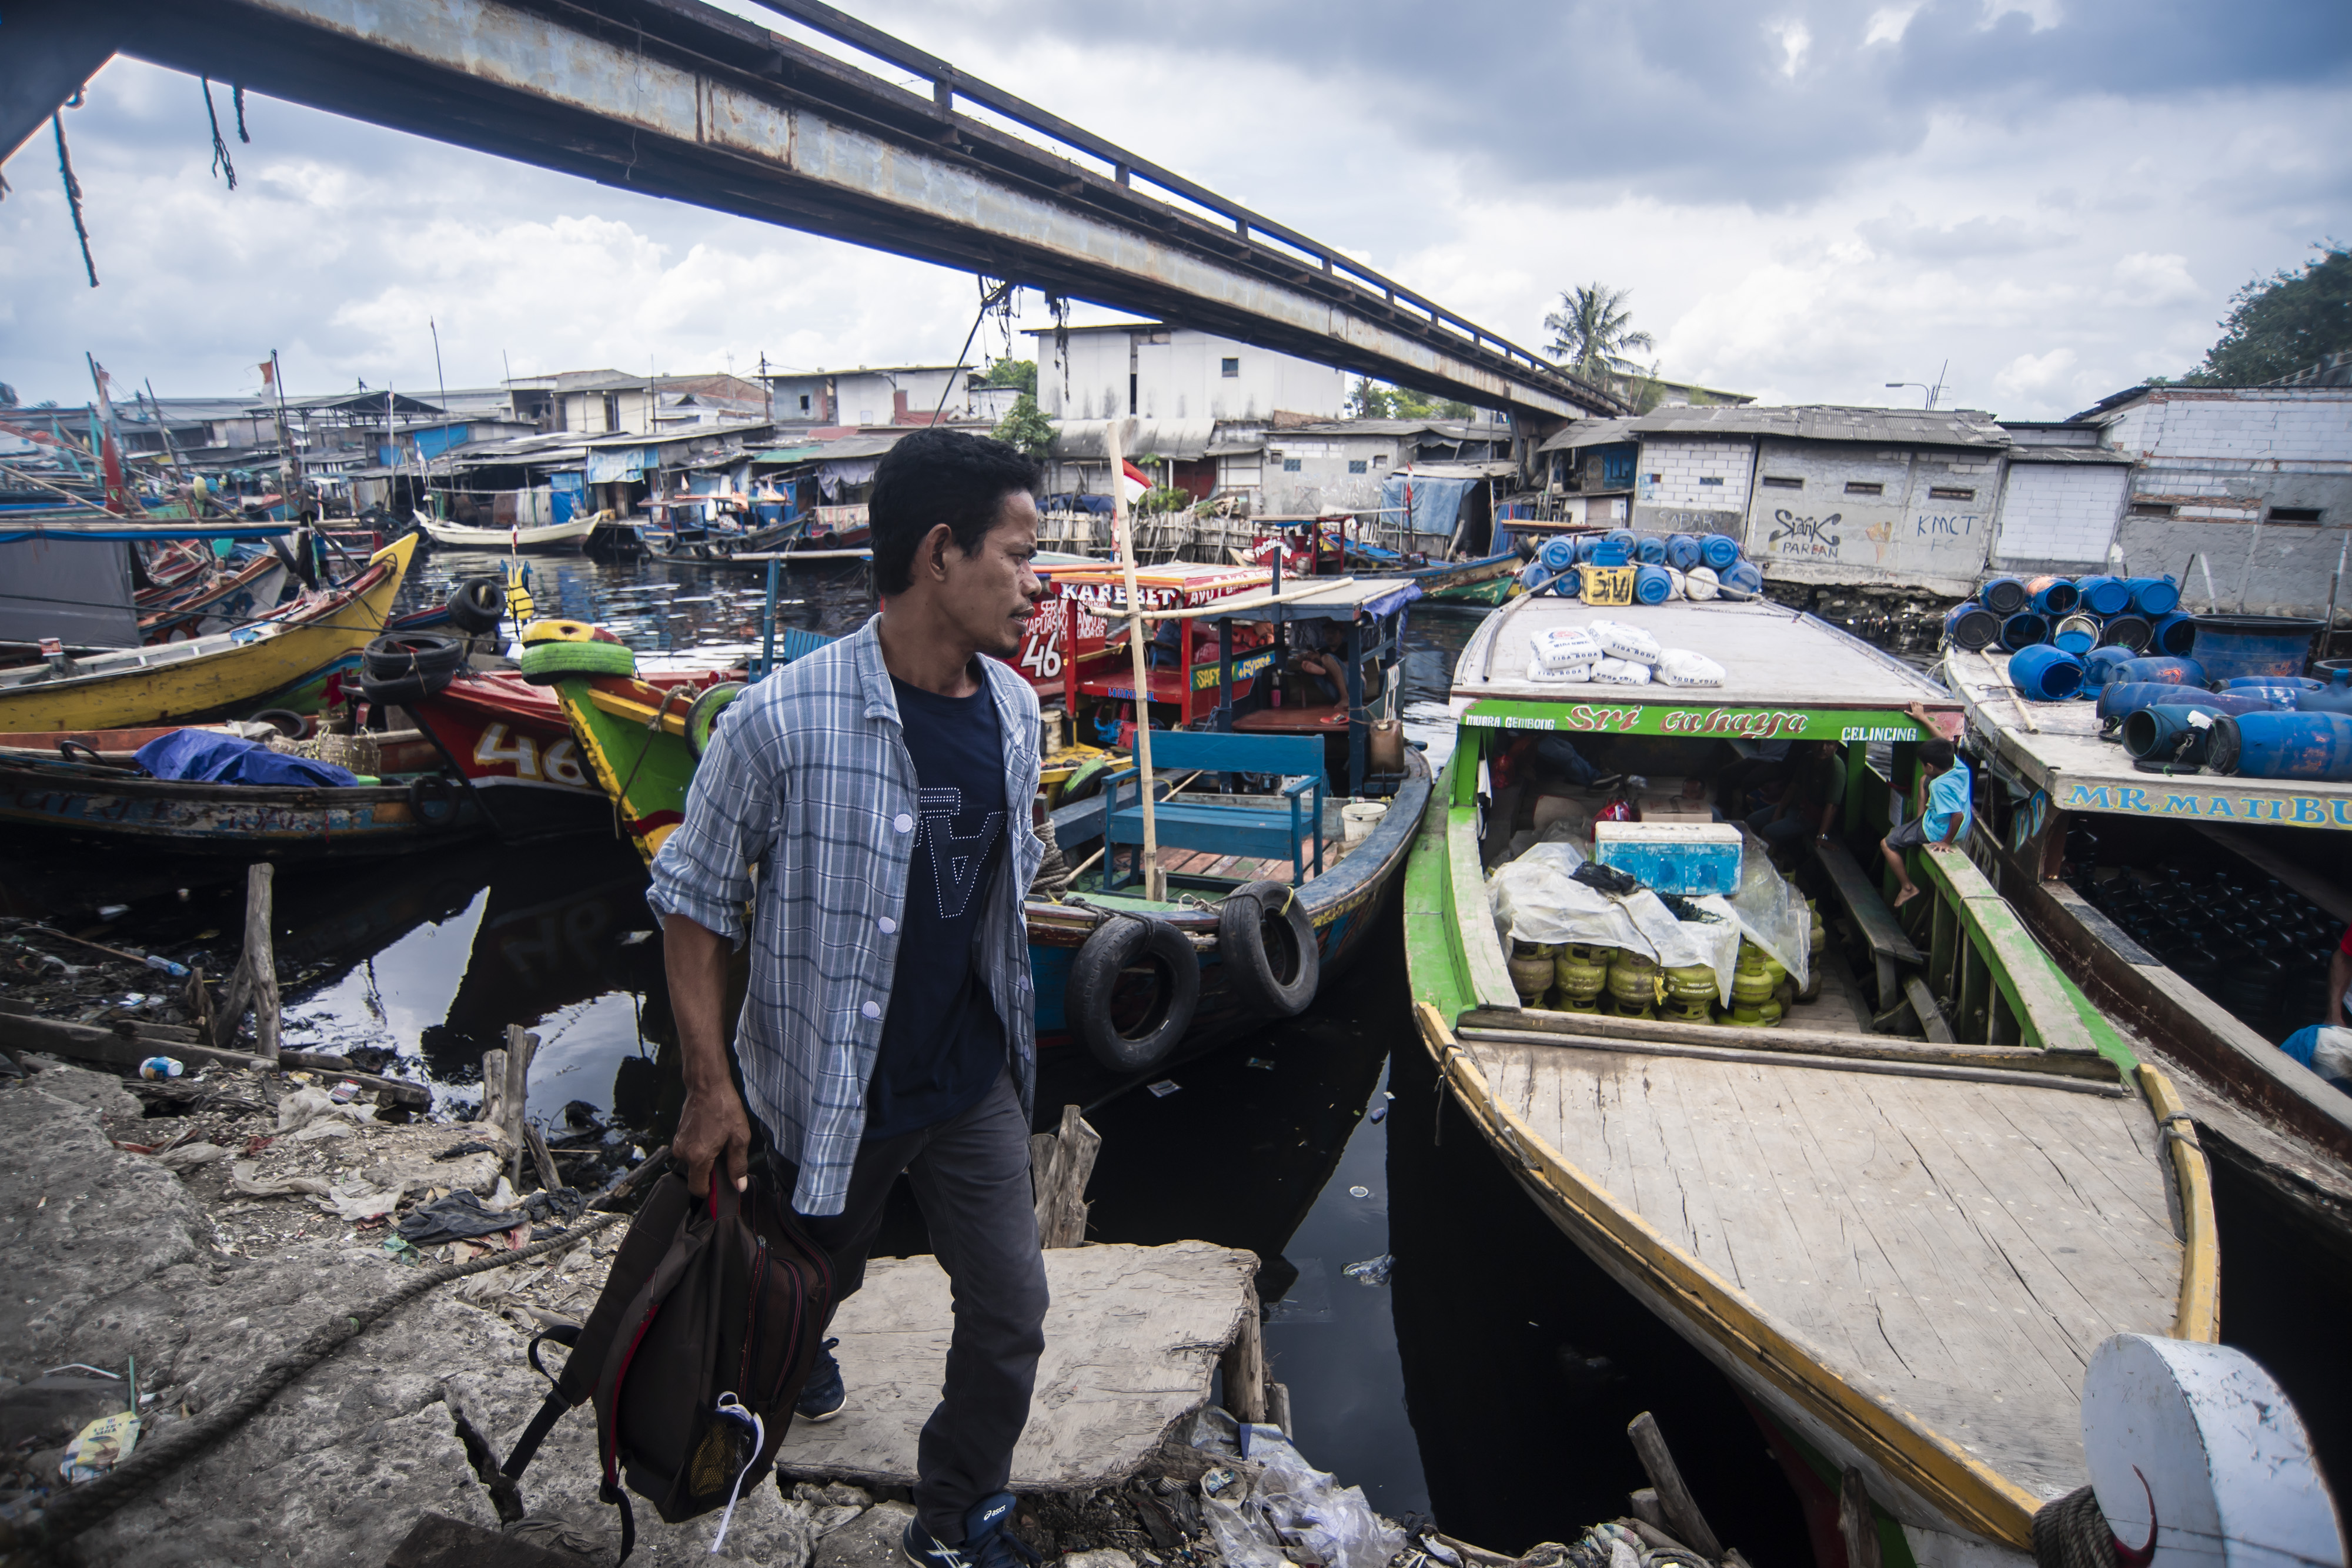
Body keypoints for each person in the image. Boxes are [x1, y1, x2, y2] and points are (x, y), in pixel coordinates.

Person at [649, 427, 1050, 1568]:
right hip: (827, 1083)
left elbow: (998, 888)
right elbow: (692, 902)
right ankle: (773, 1392)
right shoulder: (781, 719)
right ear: (939, 552)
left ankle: (956, 1510)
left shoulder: (1014, 712)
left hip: (967, 1076)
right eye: (1016, 556)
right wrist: (707, 1088)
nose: (1033, 584)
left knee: (1011, 1313)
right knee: (795, 1293)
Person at [1879, 708, 1970, 907]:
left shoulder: (1939, 786)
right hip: (1955, 826)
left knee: (1888, 843)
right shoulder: (1958, 767)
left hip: (1939, 830)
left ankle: (1908, 887)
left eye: (1923, 764)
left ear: (1930, 766)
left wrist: (1946, 842)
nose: (1923, 767)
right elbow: (1945, 744)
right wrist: (1922, 718)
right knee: (1923, 781)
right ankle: (1920, 818)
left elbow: (1957, 815)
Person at [1749, 740, 1846, 857]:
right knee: (1752, 821)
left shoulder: (1836, 768)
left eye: (1829, 744)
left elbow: (1832, 807)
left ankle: (1764, 864)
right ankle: (1750, 855)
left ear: (1836, 746)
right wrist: (1778, 812)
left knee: (1768, 832)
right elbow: (1793, 788)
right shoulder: (1807, 759)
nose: (1823, 748)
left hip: (1810, 817)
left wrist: (1822, 836)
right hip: (1796, 807)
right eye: (1819, 743)